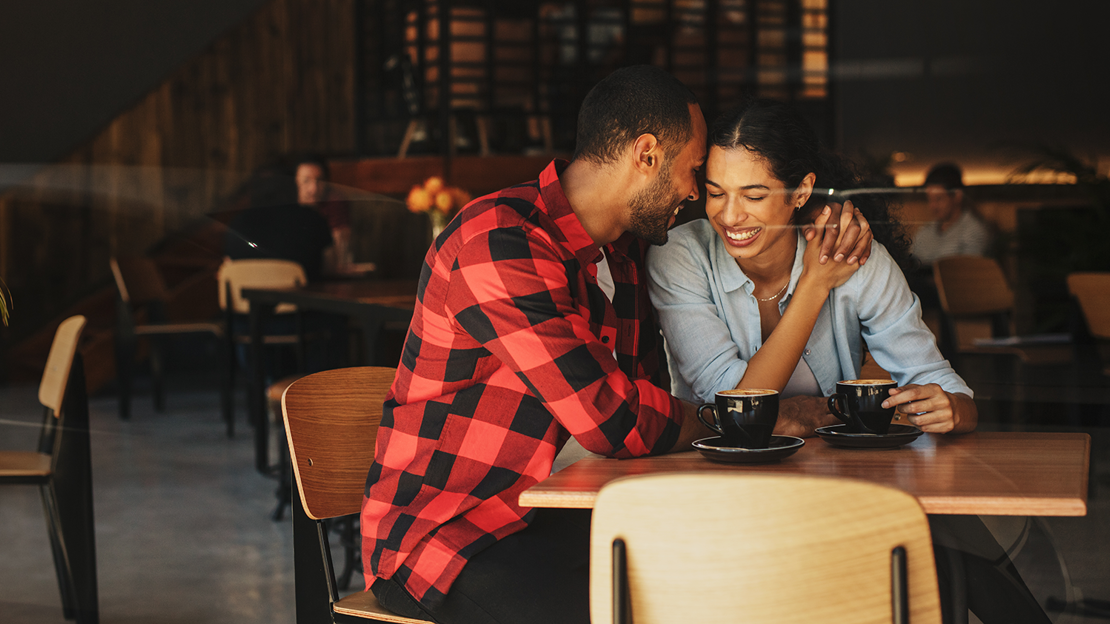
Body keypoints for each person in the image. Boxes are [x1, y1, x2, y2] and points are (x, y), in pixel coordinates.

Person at [359, 66, 873, 624]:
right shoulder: (499, 240)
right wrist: (735, 419)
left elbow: (645, 418)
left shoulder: (623, 261)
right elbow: (612, 419)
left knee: (748, 582)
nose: (695, 192)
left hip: (578, 517)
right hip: (457, 536)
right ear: (646, 154)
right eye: (695, 170)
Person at [647, 98, 1050, 624]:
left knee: (935, 525)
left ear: (802, 191)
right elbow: (737, 406)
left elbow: (939, 382)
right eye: (716, 192)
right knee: (926, 535)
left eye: (754, 194)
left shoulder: (855, 254)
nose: (728, 215)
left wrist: (952, 408)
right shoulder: (681, 253)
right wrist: (815, 286)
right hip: (718, 486)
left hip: (828, 482)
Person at [911, 162, 991, 266]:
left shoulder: (974, 231)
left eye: (939, 199)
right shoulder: (925, 231)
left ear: (957, 196)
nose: (933, 206)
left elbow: (968, 274)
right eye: (929, 199)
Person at [293, 154, 355, 272]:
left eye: (319, 181)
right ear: (295, 182)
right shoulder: (287, 206)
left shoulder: (334, 201)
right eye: (306, 181)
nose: (313, 189)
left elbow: (339, 253)